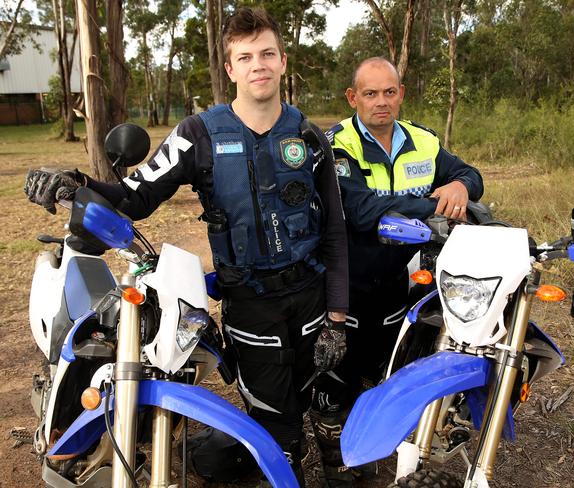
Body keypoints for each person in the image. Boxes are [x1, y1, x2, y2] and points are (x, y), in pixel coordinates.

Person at [24, 7, 348, 486]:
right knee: (275, 428)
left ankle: (339, 468)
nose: (258, 64)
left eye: (267, 54)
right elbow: (136, 197)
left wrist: (337, 318)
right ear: (230, 69)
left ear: (282, 61)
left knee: (327, 394)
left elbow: (335, 230)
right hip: (250, 306)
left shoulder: (309, 136)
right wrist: (75, 184)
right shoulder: (198, 134)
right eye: (245, 57)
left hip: (313, 298)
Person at [309, 57, 484, 486]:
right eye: (370, 93)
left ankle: (375, 444)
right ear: (354, 98)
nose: (381, 102)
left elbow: (469, 175)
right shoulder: (335, 145)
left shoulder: (422, 140)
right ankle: (338, 464)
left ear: (401, 93)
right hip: (343, 283)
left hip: (401, 283)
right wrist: (438, 210)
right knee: (337, 381)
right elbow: (361, 209)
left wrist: (461, 187)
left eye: (390, 92)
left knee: (387, 372)